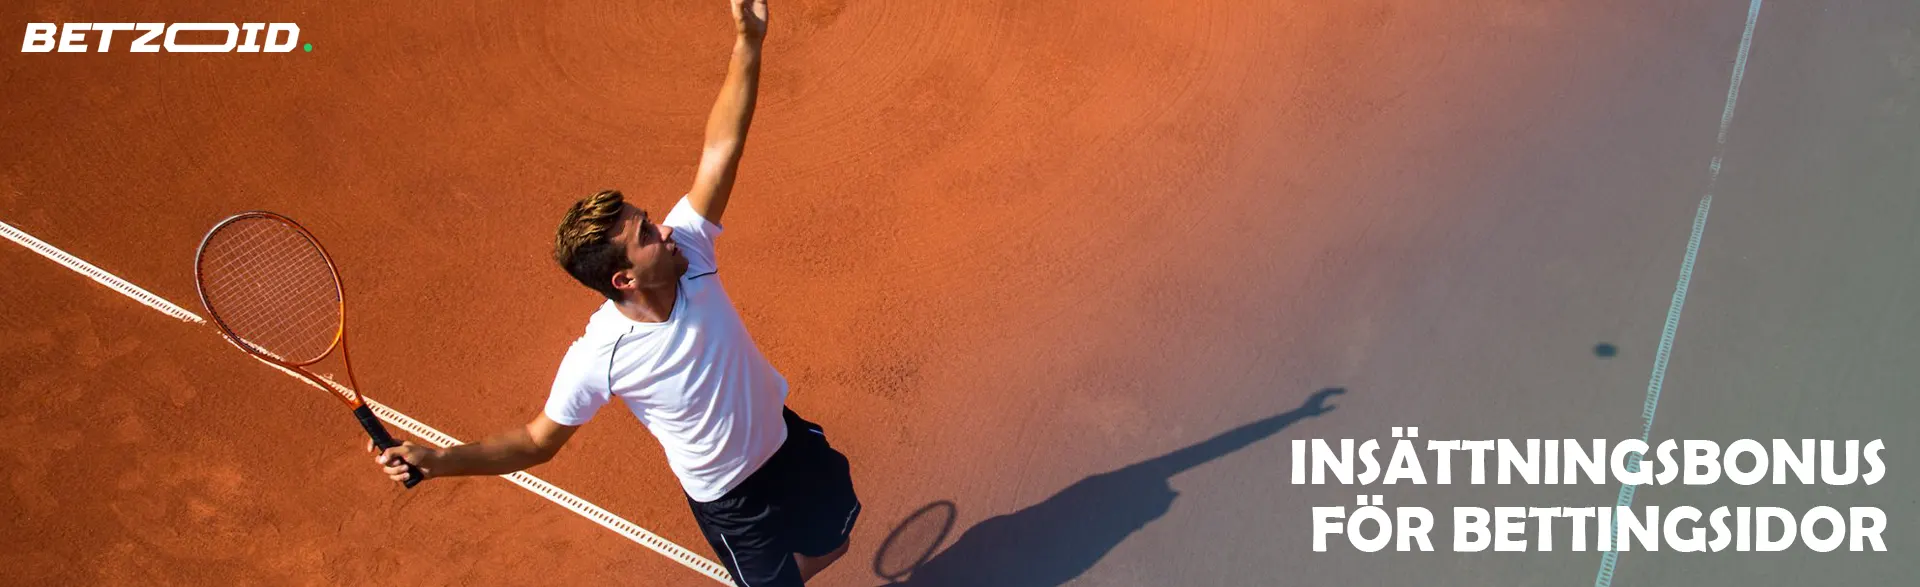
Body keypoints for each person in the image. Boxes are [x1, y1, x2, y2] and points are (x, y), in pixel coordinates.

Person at [370, 1, 860, 584]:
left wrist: (748, 41)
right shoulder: (599, 356)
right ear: (623, 278)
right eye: (648, 233)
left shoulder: (691, 253)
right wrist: (438, 461)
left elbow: (721, 146)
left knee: (839, 540)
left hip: (786, 446)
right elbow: (535, 441)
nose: (669, 230)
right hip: (732, 502)